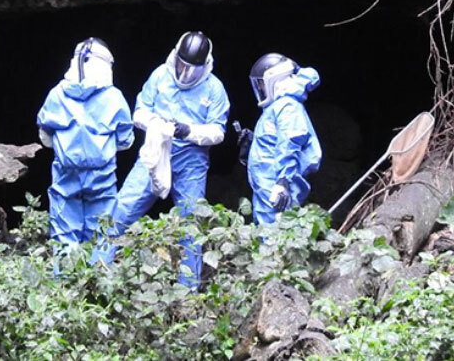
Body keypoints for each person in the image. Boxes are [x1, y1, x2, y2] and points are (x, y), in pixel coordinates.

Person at [97, 31, 230, 289]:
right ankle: (97, 272)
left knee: (192, 224)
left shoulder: (214, 88)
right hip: (156, 152)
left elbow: (218, 131)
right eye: (182, 65)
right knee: (121, 210)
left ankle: (187, 290)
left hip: (191, 160)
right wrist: (158, 125)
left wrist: (189, 130)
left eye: (192, 69)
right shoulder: (160, 76)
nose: (185, 72)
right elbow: (139, 112)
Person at [37, 38, 134, 246]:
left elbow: (45, 137)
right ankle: (98, 277)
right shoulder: (114, 97)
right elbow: (126, 141)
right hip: (102, 174)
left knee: (64, 230)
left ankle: (65, 277)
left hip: (66, 171)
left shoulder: (57, 94)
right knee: (102, 232)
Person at [243, 53, 322, 226]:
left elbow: (291, 141)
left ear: (273, 80)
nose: (261, 88)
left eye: (262, 84)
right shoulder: (277, 107)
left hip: (276, 188)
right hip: (267, 187)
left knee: (277, 236)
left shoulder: (287, 106)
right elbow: (273, 143)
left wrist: (283, 182)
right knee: (266, 236)